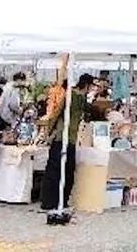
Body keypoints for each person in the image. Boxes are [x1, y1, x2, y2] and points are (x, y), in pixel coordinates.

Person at [40, 74, 92, 210]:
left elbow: (56, 114)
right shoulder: (73, 96)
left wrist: (49, 131)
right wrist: (48, 131)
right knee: (65, 172)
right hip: (66, 138)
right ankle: (59, 200)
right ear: (87, 86)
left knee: (56, 171)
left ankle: (51, 201)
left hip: (64, 138)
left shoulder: (76, 97)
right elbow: (57, 113)